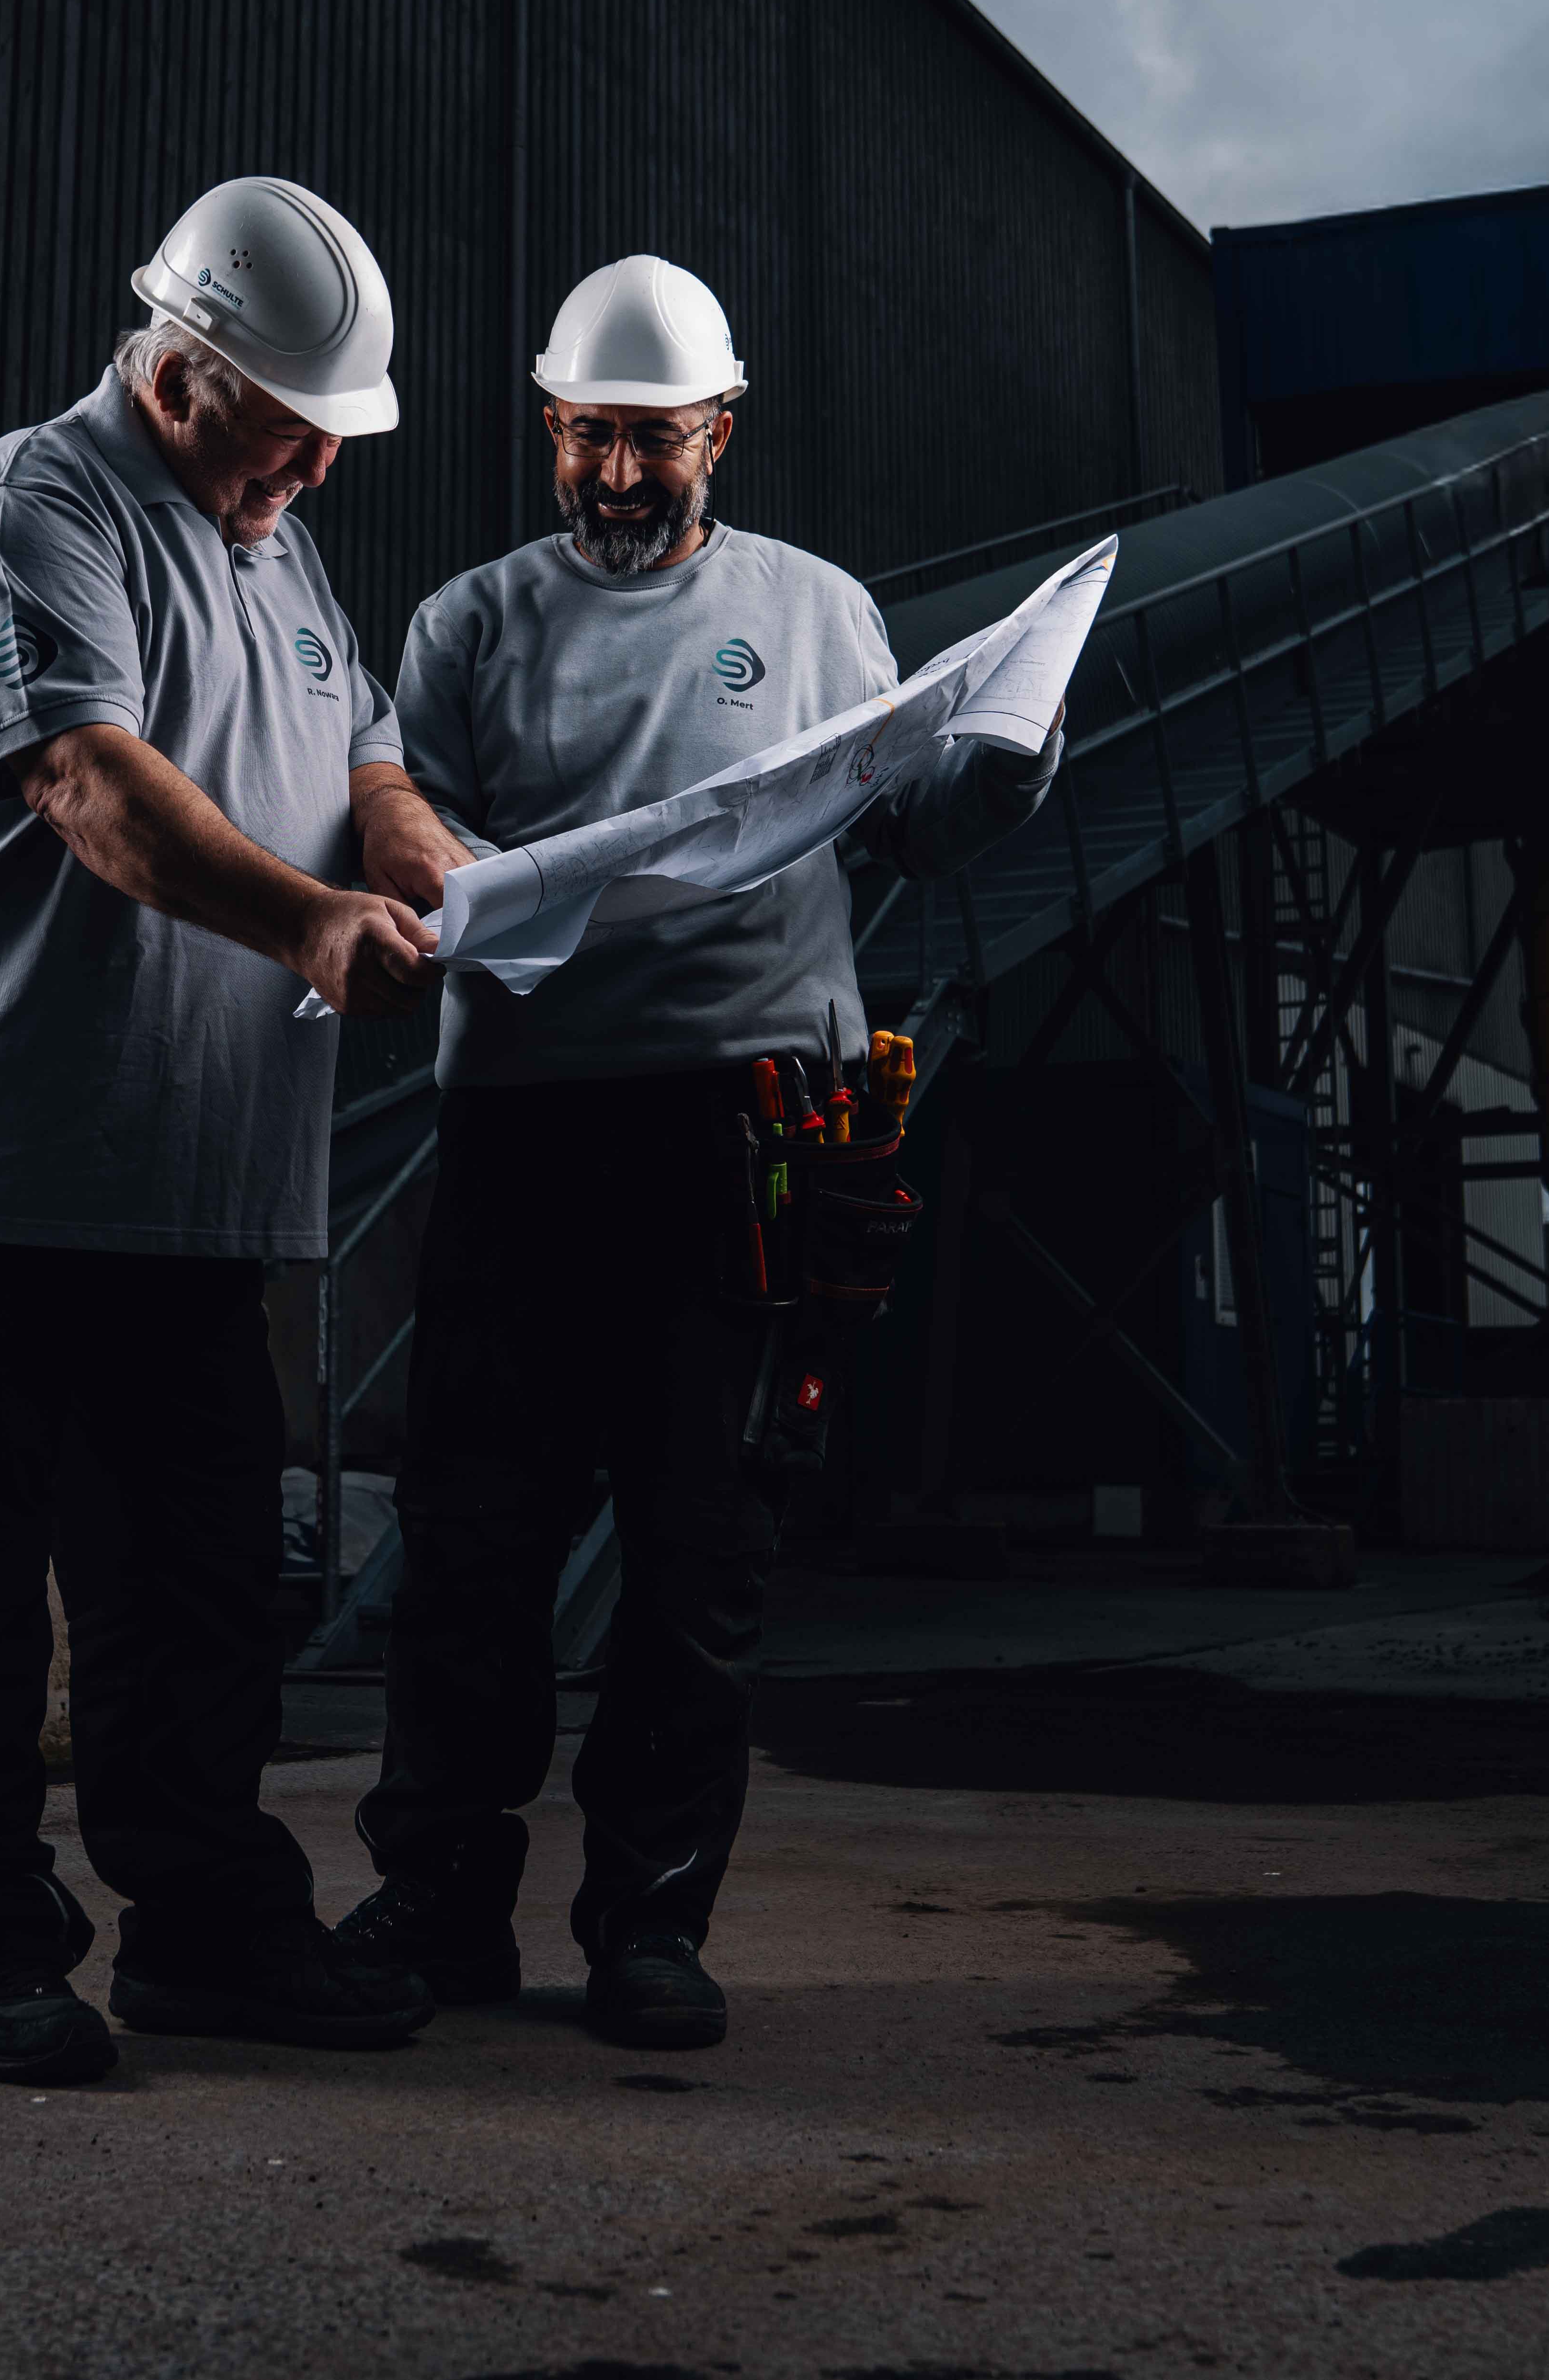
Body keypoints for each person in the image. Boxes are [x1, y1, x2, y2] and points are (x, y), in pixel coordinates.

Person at [0, 177, 461, 2086]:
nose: (315, 468)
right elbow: (91, 784)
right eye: (288, 428)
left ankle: (206, 1925)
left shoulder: (278, 547)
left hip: (174, 1187)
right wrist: (315, 926)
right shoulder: (32, 511)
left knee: (196, 1579)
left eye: (332, 438)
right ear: (179, 371)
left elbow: (364, 753)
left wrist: (434, 868)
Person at [330, 254, 1067, 2050]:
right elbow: (390, 792)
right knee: (474, 1535)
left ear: (717, 431)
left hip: (746, 1139)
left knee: (696, 1542)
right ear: (549, 424)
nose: (610, 475)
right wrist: (423, 848)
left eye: (650, 442)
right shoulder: (471, 623)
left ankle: (649, 1924)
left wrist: (1002, 761)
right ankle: (438, 1903)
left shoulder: (818, 610)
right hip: (521, 1125)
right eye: (584, 437)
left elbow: (908, 823)